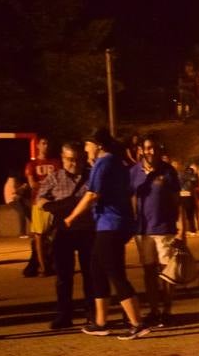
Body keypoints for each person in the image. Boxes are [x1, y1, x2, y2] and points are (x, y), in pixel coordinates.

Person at [63, 130, 147, 339]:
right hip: (109, 224)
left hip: (110, 224)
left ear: (98, 145)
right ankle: (100, 322)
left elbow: (92, 194)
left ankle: (137, 323)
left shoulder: (105, 162)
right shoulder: (115, 163)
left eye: (87, 145)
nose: (85, 149)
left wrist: (72, 216)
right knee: (95, 268)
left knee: (114, 272)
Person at [130, 137, 184, 328]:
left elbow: (177, 200)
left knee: (167, 273)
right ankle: (153, 310)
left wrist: (182, 229)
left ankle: (166, 311)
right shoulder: (134, 172)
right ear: (141, 150)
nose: (150, 151)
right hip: (142, 231)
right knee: (149, 272)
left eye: (153, 148)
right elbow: (131, 198)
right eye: (147, 148)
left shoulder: (168, 171)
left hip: (164, 229)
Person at [39, 143, 94, 330]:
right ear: (62, 158)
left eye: (78, 159)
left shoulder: (92, 176)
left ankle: (92, 313)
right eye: (70, 159)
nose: (74, 163)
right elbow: (40, 200)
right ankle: (64, 314)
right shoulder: (54, 178)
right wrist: (58, 206)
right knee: (63, 276)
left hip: (88, 230)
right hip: (63, 231)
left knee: (90, 274)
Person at [23, 138, 58, 277]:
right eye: (43, 143)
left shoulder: (56, 163)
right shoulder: (32, 164)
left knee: (55, 235)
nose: (46, 145)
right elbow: (33, 184)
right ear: (37, 145)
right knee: (39, 236)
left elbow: (60, 180)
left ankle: (54, 263)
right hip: (38, 203)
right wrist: (50, 186)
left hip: (54, 202)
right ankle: (43, 267)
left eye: (48, 143)